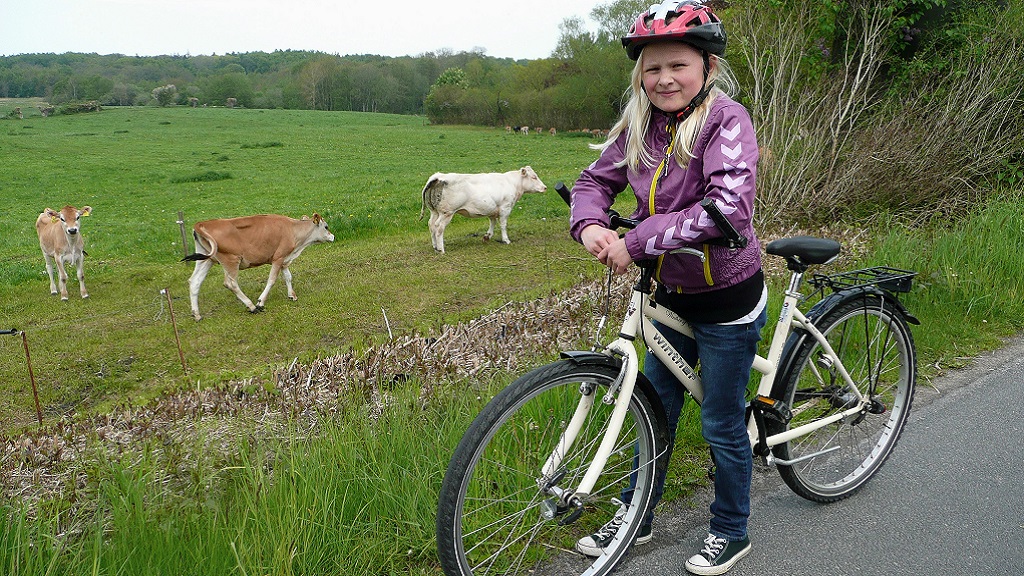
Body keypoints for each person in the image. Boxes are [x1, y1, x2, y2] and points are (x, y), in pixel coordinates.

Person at [568, 2, 765, 574]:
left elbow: (726, 209)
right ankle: (637, 514)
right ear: (640, 75)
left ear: (705, 67)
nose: (665, 79)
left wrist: (638, 240)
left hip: (726, 298)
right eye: (652, 69)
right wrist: (592, 226)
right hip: (666, 298)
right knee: (653, 410)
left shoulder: (729, 122)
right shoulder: (639, 125)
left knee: (722, 421)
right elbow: (592, 180)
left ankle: (731, 529)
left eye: (677, 64)